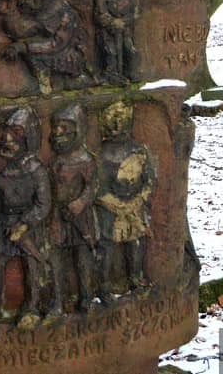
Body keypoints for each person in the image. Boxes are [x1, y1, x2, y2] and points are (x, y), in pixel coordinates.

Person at [0, 106, 52, 329]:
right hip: (4, 227)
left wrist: (25, 224)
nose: (6, 145)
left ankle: (31, 309)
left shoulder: (36, 171)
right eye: (4, 141)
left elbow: (43, 205)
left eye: (13, 142)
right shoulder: (3, 174)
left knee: (33, 268)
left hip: (29, 227)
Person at [95, 102, 155, 302]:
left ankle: (135, 278)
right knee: (106, 245)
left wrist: (138, 200)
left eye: (121, 117)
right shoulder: (101, 154)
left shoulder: (138, 150)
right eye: (112, 117)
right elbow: (97, 188)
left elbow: (149, 180)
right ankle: (104, 286)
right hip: (109, 209)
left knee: (135, 243)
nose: (116, 123)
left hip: (135, 206)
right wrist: (117, 206)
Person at [47, 104, 99, 316]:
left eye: (65, 129)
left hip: (81, 218)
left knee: (83, 259)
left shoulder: (86, 160)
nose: (59, 133)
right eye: (56, 128)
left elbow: (92, 187)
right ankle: (57, 300)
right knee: (56, 260)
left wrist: (79, 203)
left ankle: (86, 297)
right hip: (58, 218)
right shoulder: (55, 162)